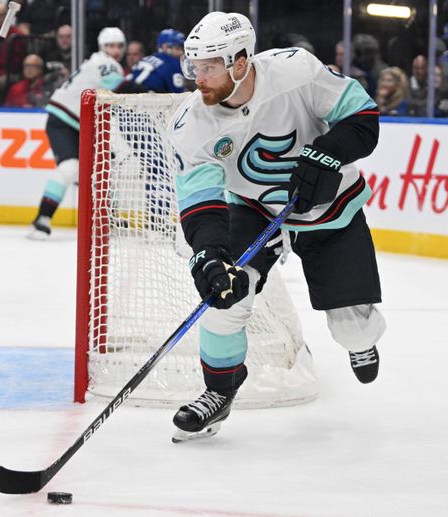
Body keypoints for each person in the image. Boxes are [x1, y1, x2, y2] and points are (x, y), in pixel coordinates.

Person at [167, 12, 385, 441]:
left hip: (330, 205)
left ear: (241, 61)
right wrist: (208, 252)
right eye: (194, 67)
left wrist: (327, 153)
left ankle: (361, 338)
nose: (199, 78)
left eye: (209, 66)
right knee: (223, 297)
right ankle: (219, 392)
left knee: (351, 325)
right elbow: (201, 200)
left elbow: (362, 115)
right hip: (251, 208)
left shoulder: (296, 71)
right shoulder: (191, 123)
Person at [28, 27, 125, 239]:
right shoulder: (108, 65)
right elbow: (121, 92)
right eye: (110, 45)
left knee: (106, 165)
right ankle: (42, 218)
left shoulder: (95, 61)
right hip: (65, 122)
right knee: (70, 168)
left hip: (81, 124)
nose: (115, 50)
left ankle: (105, 218)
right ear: (102, 47)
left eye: (118, 46)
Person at [118, 28, 186, 94]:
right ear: (164, 47)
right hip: (148, 95)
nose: (181, 52)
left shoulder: (147, 59)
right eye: (177, 48)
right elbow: (178, 94)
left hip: (125, 90)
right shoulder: (174, 63)